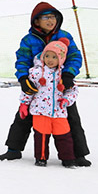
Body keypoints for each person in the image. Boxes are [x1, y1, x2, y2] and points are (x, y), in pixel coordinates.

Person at [0, 2, 91, 165]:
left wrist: (68, 74)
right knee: (23, 116)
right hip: (38, 87)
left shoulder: (65, 36)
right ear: (36, 21)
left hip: (61, 87)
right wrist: (24, 79)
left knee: (72, 118)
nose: (51, 20)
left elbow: (75, 56)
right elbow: (23, 60)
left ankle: (78, 154)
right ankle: (13, 149)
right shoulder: (29, 40)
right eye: (46, 17)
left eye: (53, 16)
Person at [20, 39, 79, 167]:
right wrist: (24, 104)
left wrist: (66, 99)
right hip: (40, 111)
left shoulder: (64, 75)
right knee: (41, 136)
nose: (50, 60)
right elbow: (28, 90)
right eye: (47, 56)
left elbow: (73, 91)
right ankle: (41, 158)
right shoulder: (35, 73)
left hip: (59, 111)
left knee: (64, 136)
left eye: (54, 57)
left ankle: (68, 159)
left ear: (61, 59)